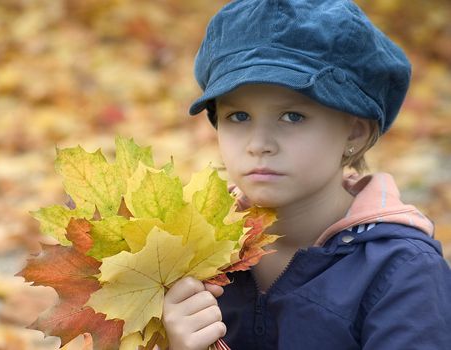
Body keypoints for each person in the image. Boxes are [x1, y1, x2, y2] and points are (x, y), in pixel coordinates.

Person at [161, 0, 451, 349]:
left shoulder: (401, 271)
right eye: (238, 116)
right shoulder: (186, 250)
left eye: (292, 116)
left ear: (354, 132)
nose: (259, 144)